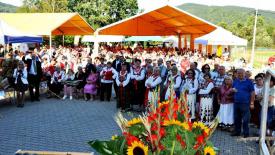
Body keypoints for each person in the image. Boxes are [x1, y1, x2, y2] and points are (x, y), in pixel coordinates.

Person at [231, 69, 255, 138]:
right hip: (236, 103)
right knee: (237, 118)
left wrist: (252, 103)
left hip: (245, 103)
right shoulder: (235, 81)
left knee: (245, 120)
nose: (240, 75)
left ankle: (246, 133)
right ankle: (237, 132)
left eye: (241, 73)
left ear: (244, 74)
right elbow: (232, 89)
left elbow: (252, 93)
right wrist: (232, 90)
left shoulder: (249, 82)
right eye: (238, 73)